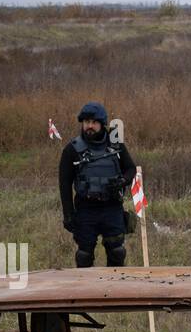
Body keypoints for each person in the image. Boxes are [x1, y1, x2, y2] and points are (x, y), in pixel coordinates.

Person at [58, 101, 136, 268]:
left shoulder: (115, 145)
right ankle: (86, 292)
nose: (89, 126)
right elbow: (64, 183)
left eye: (94, 122)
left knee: (117, 252)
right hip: (86, 210)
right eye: (86, 122)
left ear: (102, 124)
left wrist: (122, 181)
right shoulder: (72, 149)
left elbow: (131, 169)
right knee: (84, 255)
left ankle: (114, 290)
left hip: (112, 208)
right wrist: (68, 214)